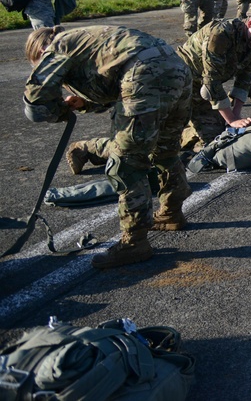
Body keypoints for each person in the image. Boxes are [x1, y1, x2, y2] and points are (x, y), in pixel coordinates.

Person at [23, 25, 194, 268]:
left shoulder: (57, 47)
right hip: (176, 68)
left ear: (41, 51)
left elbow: (36, 104)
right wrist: (82, 103)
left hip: (144, 74)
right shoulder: (86, 40)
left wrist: (58, 109)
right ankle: (171, 212)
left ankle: (135, 243)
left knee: (126, 164)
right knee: (165, 151)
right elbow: (112, 88)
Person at [66, 5, 251, 172]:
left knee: (217, 142)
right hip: (173, 85)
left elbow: (243, 82)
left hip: (197, 92)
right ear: (249, 24)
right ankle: (86, 149)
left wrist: (236, 118)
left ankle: (183, 131)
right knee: (145, 144)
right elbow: (212, 85)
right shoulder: (221, 35)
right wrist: (231, 121)